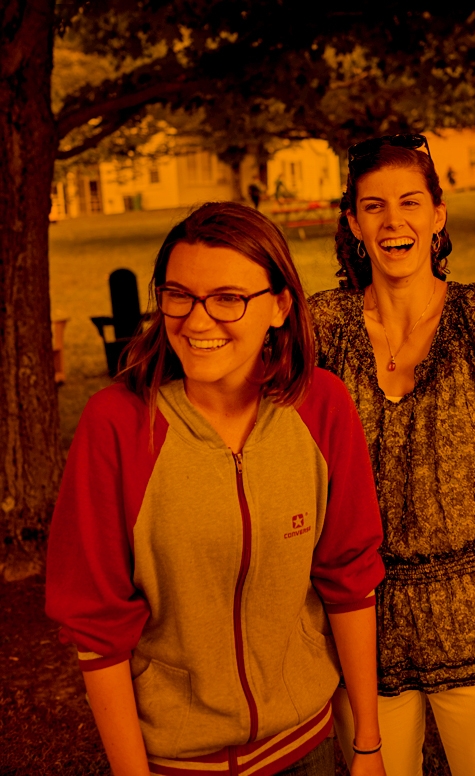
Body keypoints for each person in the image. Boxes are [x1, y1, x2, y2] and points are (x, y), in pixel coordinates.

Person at [45, 202, 387, 776]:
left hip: (309, 746)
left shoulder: (323, 406)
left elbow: (350, 580)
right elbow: (97, 629)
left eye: (228, 298)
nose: (197, 322)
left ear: (279, 305)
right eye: (179, 295)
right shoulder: (118, 426)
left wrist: (368, 745)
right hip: (176, 762)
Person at [307, 135, 475, 776]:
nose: (395, 222)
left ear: (438, 215)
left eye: (410, 203)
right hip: (363, 627)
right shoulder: (323, 330)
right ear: (354, 223)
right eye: (374, 207)